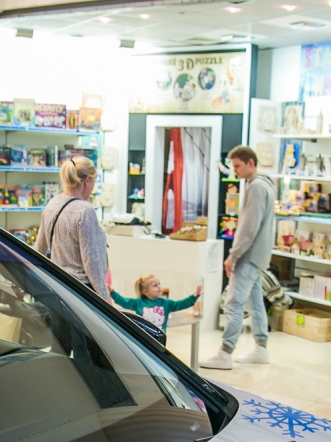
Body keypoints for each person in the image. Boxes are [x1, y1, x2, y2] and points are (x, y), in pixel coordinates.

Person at [201, 146, 276, 370]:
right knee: (255, 303)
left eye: (237, 166)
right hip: (259, 256)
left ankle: (225, 353)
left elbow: (248, 228)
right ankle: (261, 348)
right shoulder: (266, 185)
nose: (235, 171)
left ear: (250, 162)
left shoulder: (256, 187)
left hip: (249, 256)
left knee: (233, 304)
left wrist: (233, 256)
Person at [35, 156, 110, 299]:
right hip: (82, 291)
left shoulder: (51, 205)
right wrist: (105, 297)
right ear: (87, 180)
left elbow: (39, 250)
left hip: (59, 287)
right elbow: (91, 263)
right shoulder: (85, 210)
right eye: (93, 183)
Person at [110, 275, 201, 335]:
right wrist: (113, 293)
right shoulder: (138, 302)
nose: (159, 286)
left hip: (159, 337)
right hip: (142, 336)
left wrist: (194, 297)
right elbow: (124, 302)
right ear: (145, 291)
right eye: (155, 285)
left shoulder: (166, 303)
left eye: (159, 284)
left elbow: (180, 304)